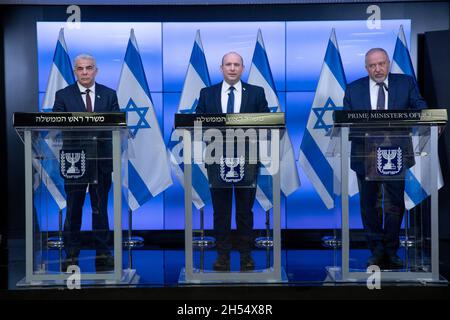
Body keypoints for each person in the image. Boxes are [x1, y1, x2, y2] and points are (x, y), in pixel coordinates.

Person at [343, 48, 427, 269]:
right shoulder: (353, 89)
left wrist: (430, 120)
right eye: (372, 65)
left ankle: (391, 250)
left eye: (381, 64)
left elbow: (420, 107)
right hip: (365, 154)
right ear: (366, 67)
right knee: (369, 205)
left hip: (396, 153)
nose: (377, 69)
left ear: (388, 63)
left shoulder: (405, 83)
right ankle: (377, 251)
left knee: (394, 204)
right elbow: (347, 123)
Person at [196, 52, 269, 271]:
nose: (232, 68)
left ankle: (246, 255)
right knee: (221, 211)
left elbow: (267, 122)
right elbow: (197, 123)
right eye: (228, 64)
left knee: (245, 211)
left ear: (242, 68)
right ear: (221, 68)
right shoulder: (207, 93)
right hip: (217, 159)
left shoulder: (256, 93)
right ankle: (223, 256)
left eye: (236, 64)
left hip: (248, 159)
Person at [53, 53, 120, 272]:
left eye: (89, 68)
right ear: (75, 71)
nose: (85, 72)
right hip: (75, 161)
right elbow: (57, 124)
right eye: (80, 68)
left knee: (100, 210)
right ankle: (71, 254)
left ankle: (103, 253)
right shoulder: (63, 95)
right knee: (74, 208)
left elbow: (116, 125)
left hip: (101, 162)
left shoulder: (109, 95)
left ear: (96, 70)